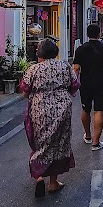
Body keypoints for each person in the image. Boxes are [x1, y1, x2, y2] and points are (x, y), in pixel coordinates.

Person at [20, 38, 78, 198]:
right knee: (59, 143)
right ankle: (53, 182)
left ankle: (39, 177)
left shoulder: (33, 69)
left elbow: (24, 91)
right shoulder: (65, 65)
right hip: (62, 108)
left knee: (40, 142)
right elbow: (74, 86)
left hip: (40, 109)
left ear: (39, 53)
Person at [74, 23, 103, 151]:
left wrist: (74, 84)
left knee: (85, 108)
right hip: (100, 82)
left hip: (85, 83)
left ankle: (87, 135)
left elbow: (76, 68)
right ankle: (95, 142)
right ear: (99, 34)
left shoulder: (80, 49)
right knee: (99, 110)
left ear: (87, 34)